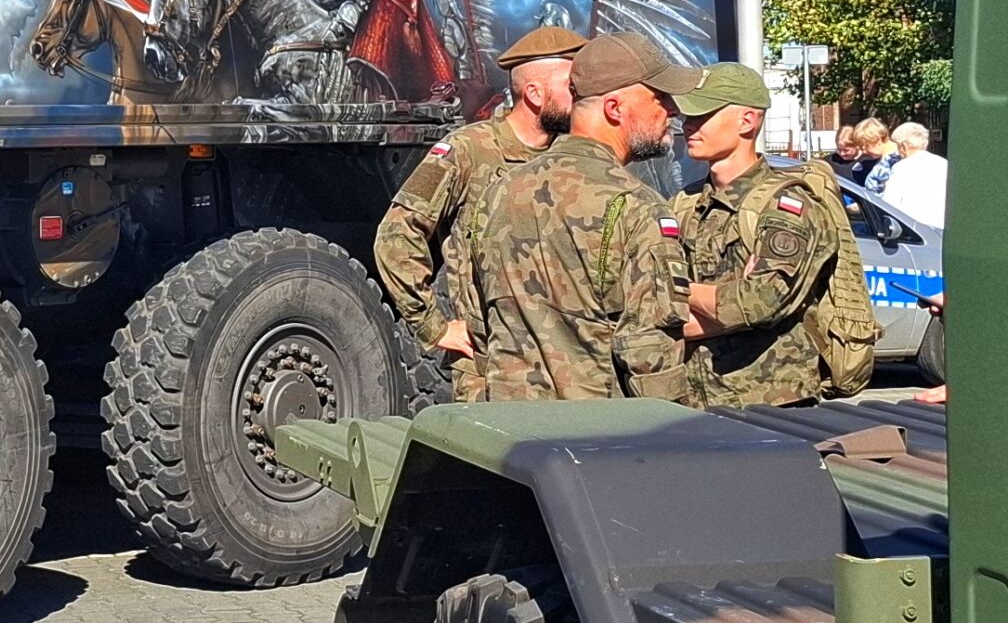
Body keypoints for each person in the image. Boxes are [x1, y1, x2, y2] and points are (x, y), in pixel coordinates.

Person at [454, 32, 702, 403]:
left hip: (508, 427)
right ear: (614, 108)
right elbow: (650, 353)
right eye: (659, 98)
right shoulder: (635, 206)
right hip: (597, 431)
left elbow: (477, 326)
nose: (674, 110)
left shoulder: (498, 192)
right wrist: (674, 429)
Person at [373, 24, 585, 397]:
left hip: (566, 366)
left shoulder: (570, 156)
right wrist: (434, 326)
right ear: (534, 94)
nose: (579, 96)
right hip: (491, 371)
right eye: (570, 86)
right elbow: (396, 235)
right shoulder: (468, 151)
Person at [669, 62, 877, 405]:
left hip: (771, 404)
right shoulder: (685, 203)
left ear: (747, 121)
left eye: (703, 115)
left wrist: (676, 289)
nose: (688, 124)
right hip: (690, 400)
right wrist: (720, 303)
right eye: (688, 115)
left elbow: (759, 302)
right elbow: (644, 304)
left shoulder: (788, 205)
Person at [882, 121, 949, 233]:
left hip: (913, 230)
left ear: (903, 146)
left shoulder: (901, 168)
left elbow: (889, 204)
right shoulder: (944, 164)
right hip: (941, 229)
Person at [855, 119, 897, 193]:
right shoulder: (883, 161)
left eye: (866, 145)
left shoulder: (896, 162)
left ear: (878, 140)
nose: (864, 151)